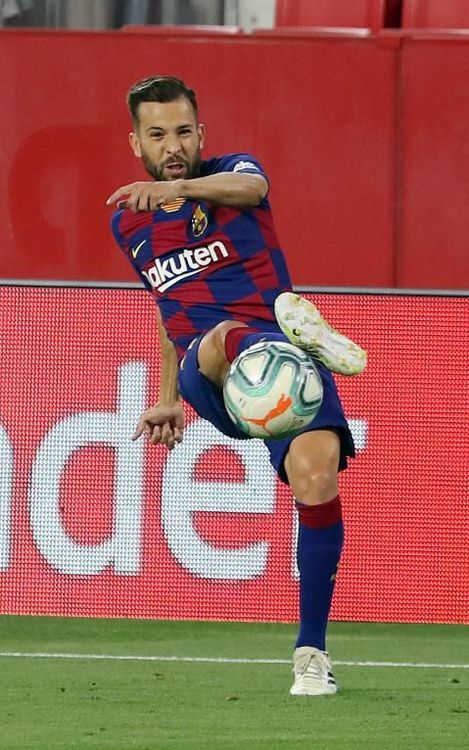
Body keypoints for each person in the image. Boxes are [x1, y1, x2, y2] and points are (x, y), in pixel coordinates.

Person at [106, 75, 367, 696]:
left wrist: (178, 189)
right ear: (136, 143)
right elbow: (168, 308)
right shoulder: (128, 224)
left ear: (202, 133)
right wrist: (168, 397)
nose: (173, 146)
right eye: (157, 135)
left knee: (317, 480)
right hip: (209, 369)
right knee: (222, 333)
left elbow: (255, 188)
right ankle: (297, 332)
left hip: (283, 367)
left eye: (183, 132)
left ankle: (311, 654)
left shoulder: (233, 174)